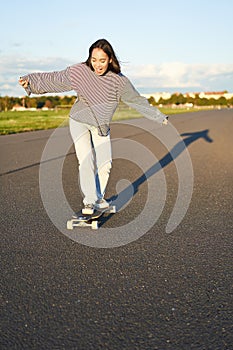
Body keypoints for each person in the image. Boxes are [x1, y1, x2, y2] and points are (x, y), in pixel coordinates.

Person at [19, 38, 168, 215]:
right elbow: (55, 78)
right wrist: (30, 81)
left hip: (101, 126)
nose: (97, 65)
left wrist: (158, 116)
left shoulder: (119, 82)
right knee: (86, 158)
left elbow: (136, 100)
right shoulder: (80, 71)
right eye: (94, 60)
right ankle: (89, 202)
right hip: (79, 120)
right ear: (89, 58)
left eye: (102, 61)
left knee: (106, 164)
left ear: (110, 60)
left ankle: (98, 198)